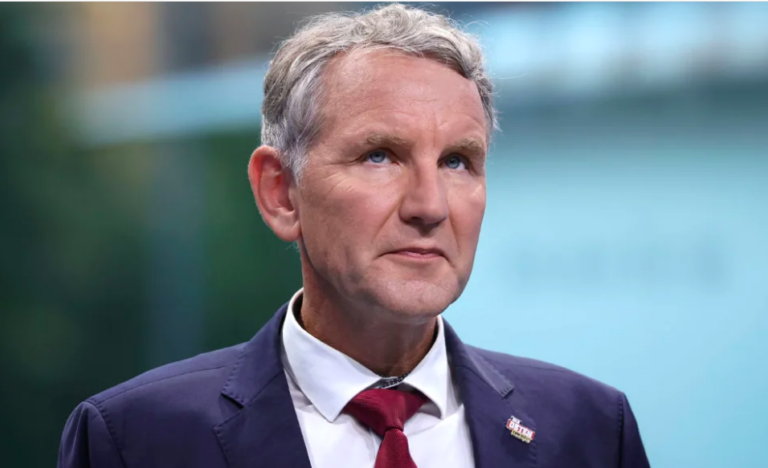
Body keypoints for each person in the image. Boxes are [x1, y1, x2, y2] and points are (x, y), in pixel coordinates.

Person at [58, 4, 650, 468]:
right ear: (280, 193)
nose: (429, 207)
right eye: (379, 156)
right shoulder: (136, 439)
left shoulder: (592, 430)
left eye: (457, 161)